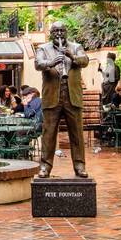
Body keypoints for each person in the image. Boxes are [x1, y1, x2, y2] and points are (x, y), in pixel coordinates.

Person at [34, 21, 90, 178]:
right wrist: (51, 62)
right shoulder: (43, 48)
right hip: (52, 97)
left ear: (66, 32)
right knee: (48, 134)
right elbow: (38, 63)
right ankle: (45, 166)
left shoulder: (76, 47)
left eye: (62, 30)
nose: (59, 33)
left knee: (77, 134)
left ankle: (80, 166)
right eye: (56, 31)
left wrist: (70, 55)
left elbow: (84, 60)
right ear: (51, 33)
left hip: (72, 96)